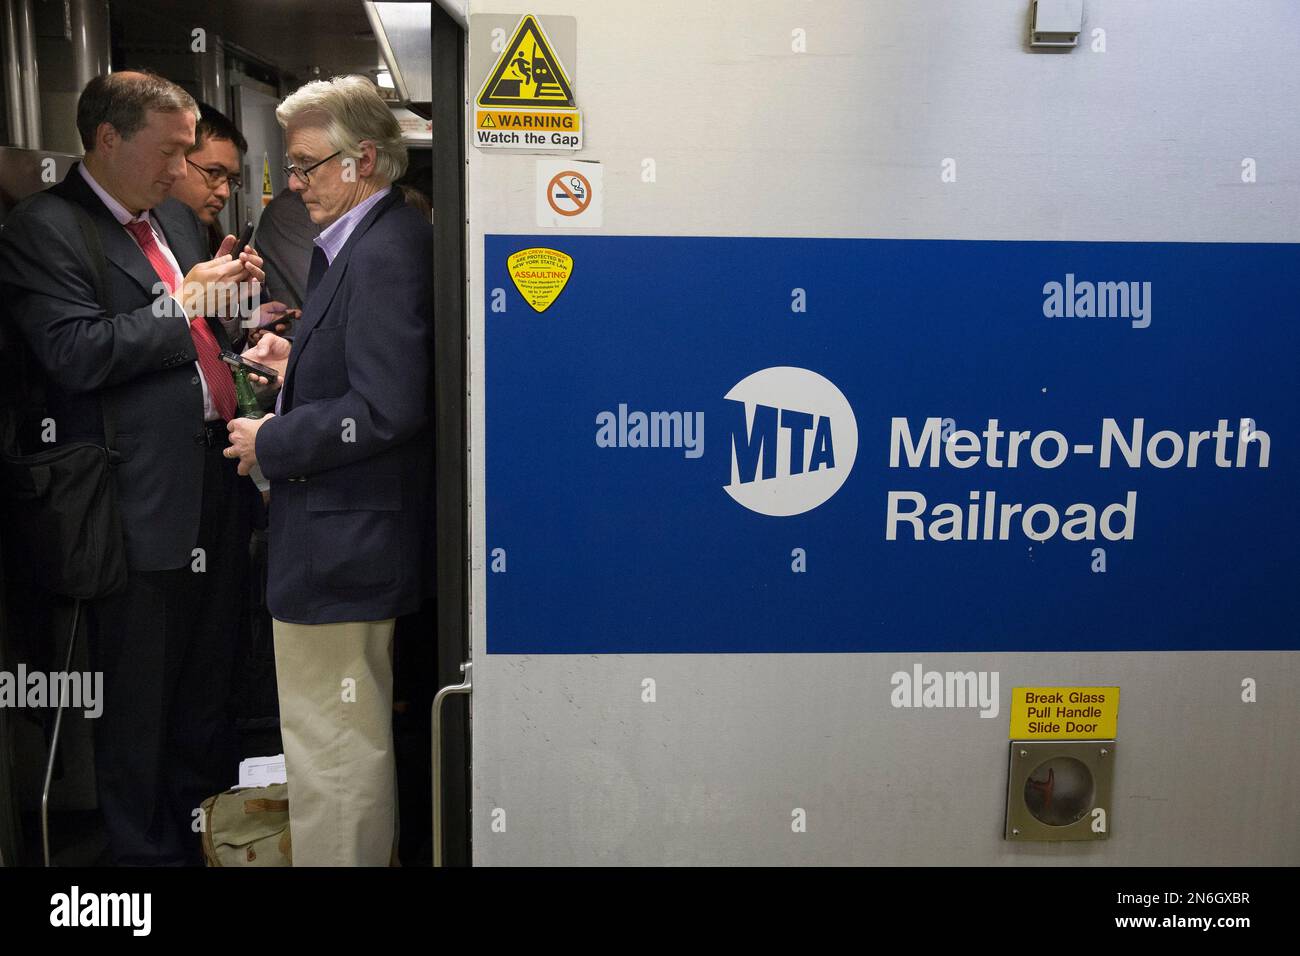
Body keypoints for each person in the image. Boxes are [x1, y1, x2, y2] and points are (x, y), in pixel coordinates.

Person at [0, 70, 265, 865]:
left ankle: (201, 831)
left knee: (206, 682)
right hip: (134, 503)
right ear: (109, 140)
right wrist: (186, 301)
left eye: (190, 153)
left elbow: (200, 343)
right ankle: (139, 858)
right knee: (140, 696)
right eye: (170, 152)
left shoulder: (176, 223)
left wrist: (240, 322)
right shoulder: (45, 230)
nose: (182, 171)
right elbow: (75, 353)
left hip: (217, 483)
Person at [226, 74, 433, 867]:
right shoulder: (366, 239)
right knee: (334, 748)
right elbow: (363, 376)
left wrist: (270, 443)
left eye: (310, 166)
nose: (297, 185)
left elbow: (386, 406)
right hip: (345, 540)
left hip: (344, 548)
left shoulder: (382, 249)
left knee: (334, 757)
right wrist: (297, 366)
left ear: (365, 160)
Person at [170, 102, 295, 345]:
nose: (225, 192)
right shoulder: (147, 239)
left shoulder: (211, 238)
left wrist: (246, 325)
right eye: (213, 173)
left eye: (231, 179)